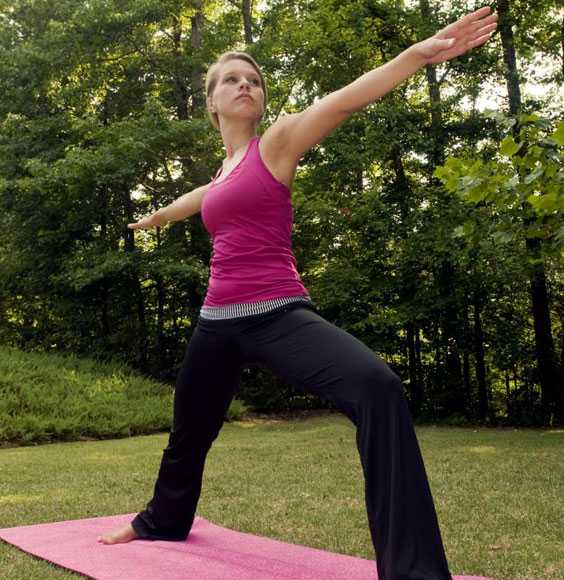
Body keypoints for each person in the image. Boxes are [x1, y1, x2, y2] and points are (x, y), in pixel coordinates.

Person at [98, 6, 497, 579]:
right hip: (216, 323)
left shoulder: (276, 144)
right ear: (212, 103)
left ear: (261, 100)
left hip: (275, 314)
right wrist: (160, 215)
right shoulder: (224, 170)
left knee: (377, 387)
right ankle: (163, 519)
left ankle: (413, 571)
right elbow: (203, 197)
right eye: (231, 79)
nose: (245, 85)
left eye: (253, 80)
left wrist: (417, 55)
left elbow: (343, 100)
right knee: (189, 429)